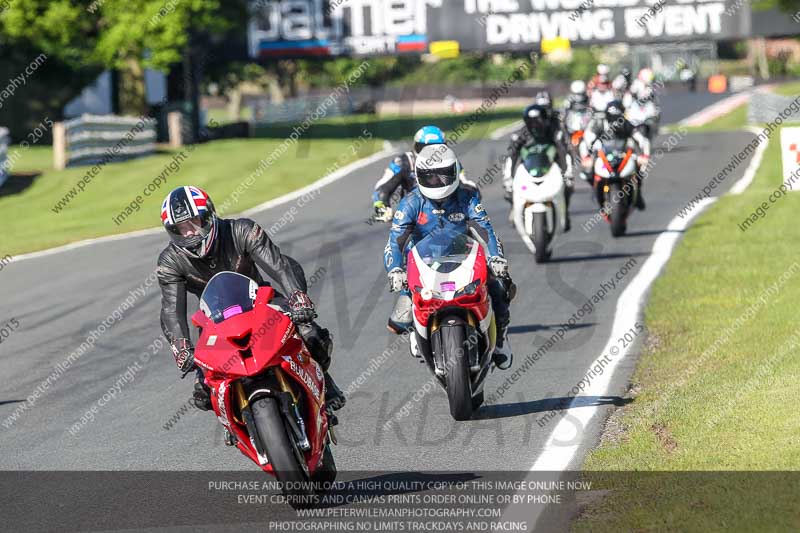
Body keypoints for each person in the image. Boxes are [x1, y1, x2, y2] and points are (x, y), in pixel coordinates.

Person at [156, 185, 346, 412]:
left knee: (312, 336)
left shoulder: (242, 230)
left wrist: (297, 297)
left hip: (261, 301)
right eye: (180, 228)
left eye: (193, 223)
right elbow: (171, 309)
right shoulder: (169, 260)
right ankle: (234, 425)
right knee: (203, 392)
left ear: (209, 214)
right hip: (214, 319)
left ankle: (324, 382)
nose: (189, 233)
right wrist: (181, 346)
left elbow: (279, 266)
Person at [384, 144, 515, 369]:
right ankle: (417, 329)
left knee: (499, 286)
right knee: (400, 316)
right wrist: (395, 270)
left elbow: (486, 231)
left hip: (464, 256)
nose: (437, 181)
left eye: (442, 175)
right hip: (422, 263)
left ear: (454, 172)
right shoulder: (410, 203)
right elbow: (394, 242)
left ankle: (501, 338)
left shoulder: (468, 198)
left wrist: (496, 258)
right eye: (430, 176)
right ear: (419, 176)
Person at [372, 126, 479, 222]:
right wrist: (382, 206)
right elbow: (383, 187)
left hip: (449, 215)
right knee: (399, 241)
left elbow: (466, 184)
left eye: (436, 148)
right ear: (417, 147)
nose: (431, 152)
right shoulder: (404, 162)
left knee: (473, 233)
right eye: (426, 148)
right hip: (415, 217)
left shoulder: (450, 161)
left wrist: (472, 197)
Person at [505, 95, 572, 231]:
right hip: (530, 165)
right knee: (509, 188)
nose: (536, 126)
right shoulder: (521, 133)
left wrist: (567, 173)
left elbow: (565, 152)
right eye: (532, 122)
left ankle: (564, 212)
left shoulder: (556, 128)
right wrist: (509, 178)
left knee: (568, 186)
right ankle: (515, 208)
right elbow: (511, 156)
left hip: (552, 164)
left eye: (539, 121)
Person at [580, 100, 651, 210]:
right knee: (588, 171)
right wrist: (587, 155)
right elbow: (587, 138)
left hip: (623, 155)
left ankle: (638, 195)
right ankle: (595, 191)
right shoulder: (599, 123)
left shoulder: (627, 124)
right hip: (603, 155)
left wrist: (644, 155)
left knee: (638, 171)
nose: (615, 121)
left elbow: (641, 140)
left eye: (617, 117)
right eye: (612, 116)